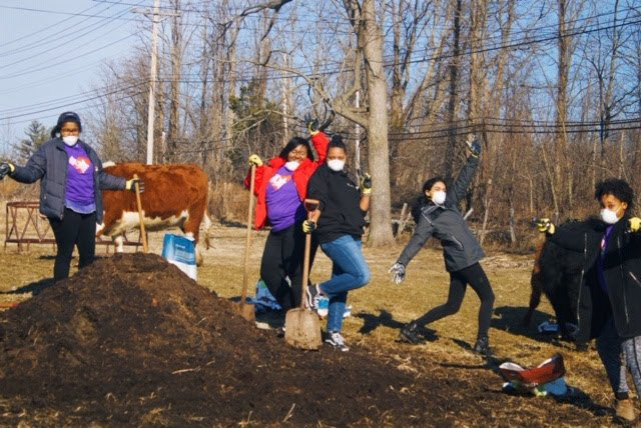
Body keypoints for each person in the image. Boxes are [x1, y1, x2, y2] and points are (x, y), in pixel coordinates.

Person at [537, 179, 641, 423]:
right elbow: (575, 242)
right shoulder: (600, 233)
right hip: (609, 309)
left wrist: (639, 229)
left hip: (631, 308)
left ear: (624, 205)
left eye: (611, 204)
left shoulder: (630, 230)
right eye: (603, 205)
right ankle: (623, 401)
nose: (606, 209)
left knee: (635, 359)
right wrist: (552, 232)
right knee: (606, 347)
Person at [0, 112, 142, 281]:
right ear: (60, 130)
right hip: (65, 207)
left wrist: (126, 184)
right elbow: (31, 173)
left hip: (89, 208)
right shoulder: (49, 150)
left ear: (79, 131)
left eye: (74, 130)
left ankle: (82, 293)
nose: (70, 134)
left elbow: (100, 177)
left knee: (88, 255)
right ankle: (59, 294)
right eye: (66, 130)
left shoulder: (88, 151)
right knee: (65, 252)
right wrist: (12, 169)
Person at [388, 137, 495, 355]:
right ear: (427, 192)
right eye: (437, 188)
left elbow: (463, 180)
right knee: (488, 297)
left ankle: (412, 328)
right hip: (464, 260)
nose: (442, 191)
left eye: (443, 188)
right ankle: (482, 343)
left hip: (459, 261)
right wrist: (401, 263)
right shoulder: (427, 217)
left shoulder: (449, 203)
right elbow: (416, 241)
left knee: (452, 306)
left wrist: (473, 157)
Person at [245, 119, 329, 310]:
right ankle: (291, 308)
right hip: (276, 229)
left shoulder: (311, 169)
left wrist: (317, 136)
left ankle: (302, 310)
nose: (297, 155)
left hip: (298, 226)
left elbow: (326, 158)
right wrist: (256, 170)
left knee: (297, 273)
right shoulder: (273, 169)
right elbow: (254, 188)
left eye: (302, 152)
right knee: (269, 273)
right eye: (294, 151)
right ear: (287, 151)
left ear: (307, 155)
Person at [304, 135, 371, 352]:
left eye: (340, 157)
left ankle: (333, 332)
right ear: (326, 157)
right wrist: (312, 221)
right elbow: (316, 201)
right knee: (361, 276)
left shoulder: (348, 180)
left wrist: (367, 192)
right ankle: (316, 290)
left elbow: (361, 210)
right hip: (334, 233)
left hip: (353, 234)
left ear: (346, 157)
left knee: (342, 284)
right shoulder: (321, 175)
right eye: (332, 156)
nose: (336, 160)